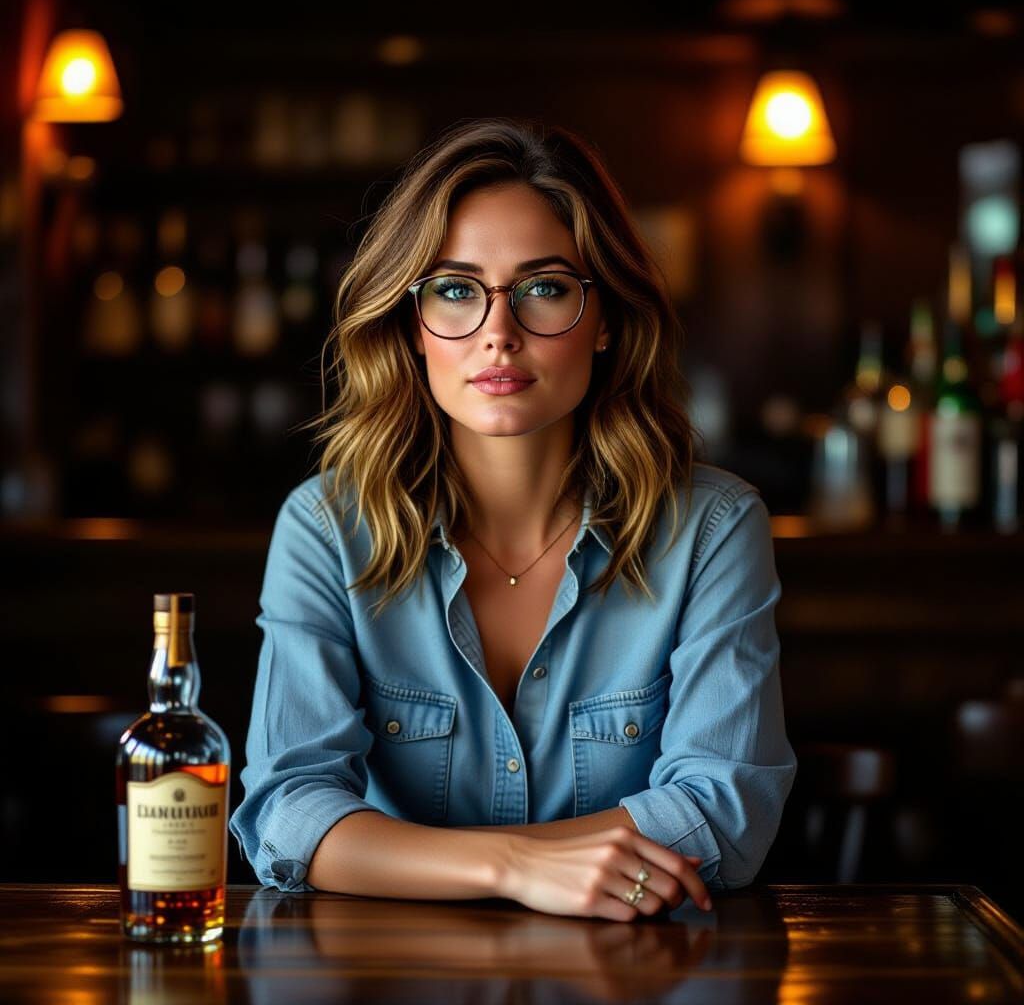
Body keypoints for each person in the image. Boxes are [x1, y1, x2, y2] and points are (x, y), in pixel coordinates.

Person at [228, 117, 797, 922]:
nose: (498, 334)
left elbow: (724, 814)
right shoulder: (326, 528)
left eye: (545, 289)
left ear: (605, 318)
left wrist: (447, 861)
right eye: (456, 290)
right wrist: (513, 867)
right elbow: (290, 816)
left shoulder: (712, 528)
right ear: (412, 324)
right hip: (391, 972)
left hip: (635, 970)